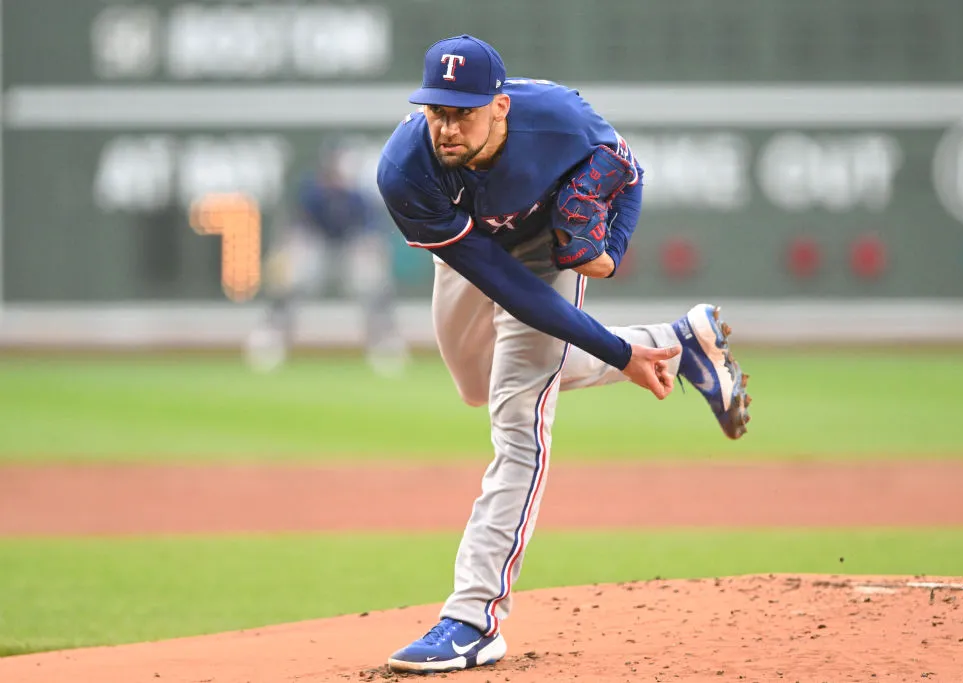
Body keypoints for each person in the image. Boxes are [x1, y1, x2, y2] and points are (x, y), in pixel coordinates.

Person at [376, 35, 751, 674]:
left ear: (499, 106)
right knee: (475, 384)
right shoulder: (405, 170)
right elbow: (503, 286)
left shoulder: (558, 119)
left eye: (462, 111)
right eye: (436, 110)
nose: (446, 125)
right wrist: (620, 351)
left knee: (516, 417)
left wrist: (612, 252)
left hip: (547, 247)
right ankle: (677, 343)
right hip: (473, 252)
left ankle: (473, 619)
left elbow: (627, 172)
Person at [244, 138, 409, 376]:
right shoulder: (311, 191)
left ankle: (384, 341)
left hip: (349, 247)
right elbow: (297, 227)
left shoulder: (359, 196)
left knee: (371, 274)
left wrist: (370, 246)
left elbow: (371, 231)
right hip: (317, 245)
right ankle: (272, 336)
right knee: (292, 271)